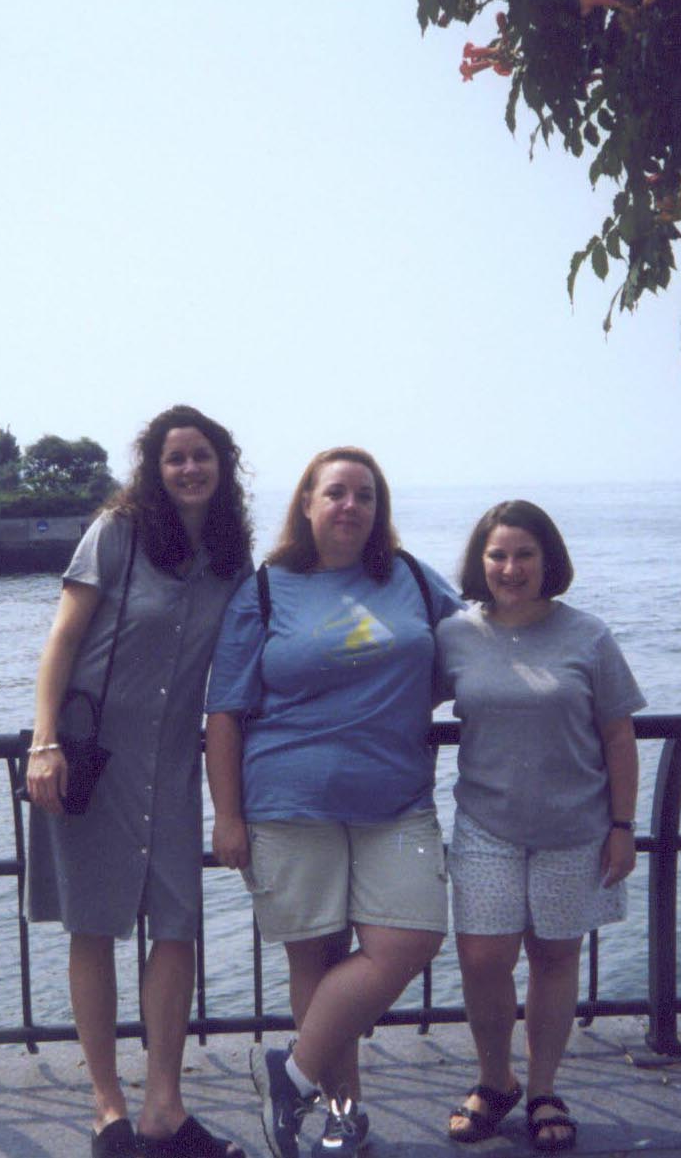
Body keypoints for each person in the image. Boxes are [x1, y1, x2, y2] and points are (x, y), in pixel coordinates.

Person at [204, 446, 463, 1158]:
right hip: (288, 799)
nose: (351, 506)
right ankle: (342, 1116)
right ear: (308, 505)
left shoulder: (411, 577)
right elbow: (224, 710)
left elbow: (473, 641)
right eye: (337, 492)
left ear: (379, 512)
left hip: (399, 798)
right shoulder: (265, 589)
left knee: (410, 935)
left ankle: (288, 1075)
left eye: (366, 495)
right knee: (315, 961)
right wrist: (226, 815)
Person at [23, 405, 251, 1158]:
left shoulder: (229, 557)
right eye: (174, 457)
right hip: (92, 761)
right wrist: (44, 742)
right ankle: (106, 1107)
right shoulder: (115, 534)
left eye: (202, 456)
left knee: (177, 927)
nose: (189, 468)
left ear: (223, 467)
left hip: (175, 768)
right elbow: (62, 638)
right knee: (93, 926)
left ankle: (163, 1105)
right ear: (154, 468)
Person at [435, 500, 645, 1153]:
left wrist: (623, 824)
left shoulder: (589, 635)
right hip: (486, 823)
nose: (510, 566)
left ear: (548, 560)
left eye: (525, 553)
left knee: (556, 957)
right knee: (482, 956)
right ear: (480, 561)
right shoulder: (454, 634)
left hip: (576, 825)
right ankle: (495, 1078)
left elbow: (619, 734)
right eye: (498, 554)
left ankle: (544, 1088)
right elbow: (394, 700)